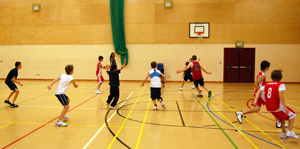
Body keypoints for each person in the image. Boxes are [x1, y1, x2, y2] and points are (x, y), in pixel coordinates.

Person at [235, 60, 286, 128]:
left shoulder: (260, 73)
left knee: (257, 109)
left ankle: (241, 113)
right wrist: (260, 91)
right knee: (272, 107)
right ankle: (278, 122)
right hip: (261, 94)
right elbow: (255, 84)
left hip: (258, 93)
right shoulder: (262, 75)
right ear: (267, 67)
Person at [253, 70, 298, 139]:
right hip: (277, 106)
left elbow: (258, 92)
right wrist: (285, 107)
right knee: (292, 115)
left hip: (269, 107)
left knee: (282, 119)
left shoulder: (267, 84)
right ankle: (290, 131)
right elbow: (280, 94)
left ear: (271, 76)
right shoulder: (280, 84)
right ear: (280, 77)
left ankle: (283, 133)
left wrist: (255, 101)